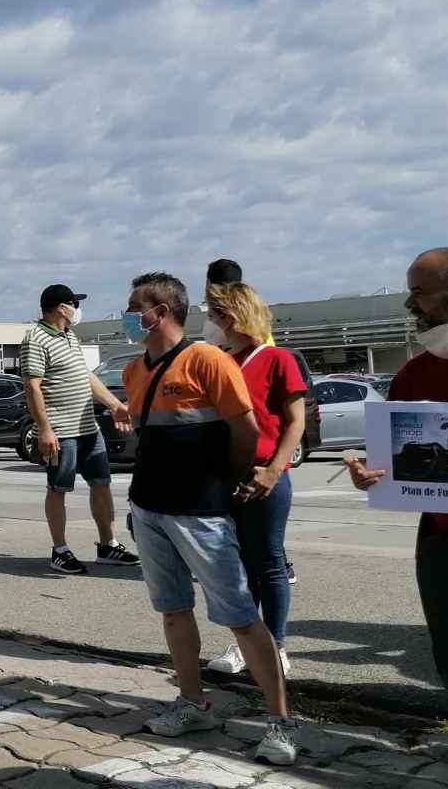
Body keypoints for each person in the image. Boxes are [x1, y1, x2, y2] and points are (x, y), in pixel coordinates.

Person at [119, 272, 296, 764]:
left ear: (163, 311)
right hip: (150, 507)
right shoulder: (135, 370)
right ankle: (193, 703)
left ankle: (281, 723)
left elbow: (246, 429)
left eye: (136, 306)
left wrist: (232, 480)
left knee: (240, 616)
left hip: (202, 512)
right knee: (173, 610)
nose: (129, 314)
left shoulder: (207, 360)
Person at [342, 248, 448, 686]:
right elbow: (385, 459)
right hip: (441, 539)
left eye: (418, 293)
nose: (410, 307)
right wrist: (369, 474)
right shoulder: (412, 375)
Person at [202, 282, 306, 679]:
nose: (211, 323)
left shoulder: (278, 359)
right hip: (229, 477)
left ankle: (276, 646)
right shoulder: (224, 360)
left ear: (233, 315)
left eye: (215, 315)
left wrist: (274, 470)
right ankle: (248, 643)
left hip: (267, 474)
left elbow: (295, 422)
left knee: (270, 561)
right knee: (240, 566)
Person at [19, 284, 140, 574]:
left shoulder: (69, 336)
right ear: (62, 307)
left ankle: (108, 544)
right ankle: (59, 550)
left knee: (101, 482)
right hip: (61, 431)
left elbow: (85, 377)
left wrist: (114, 405)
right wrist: (45, 429)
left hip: (88, 427)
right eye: (74, 303)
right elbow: (31, 385)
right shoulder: (35, 338)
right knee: (58, 488)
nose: (77, 309)